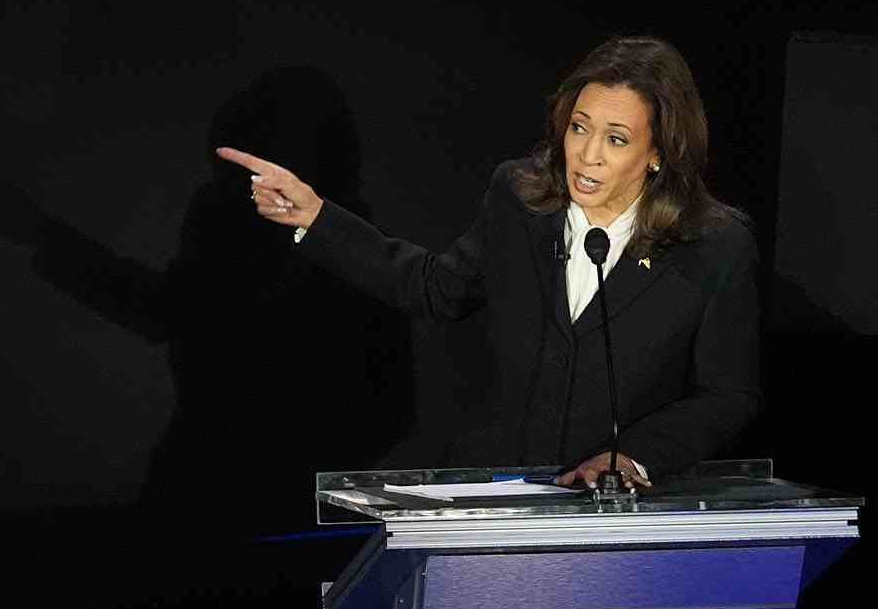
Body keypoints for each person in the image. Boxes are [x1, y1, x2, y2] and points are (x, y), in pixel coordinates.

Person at [218, 35, 760, 489]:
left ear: (658, 152)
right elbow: (433, 288)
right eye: (578, 127)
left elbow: (726, 394)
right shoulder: (520, 198)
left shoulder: (714, 245)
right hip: (494, 498)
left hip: (614, 514)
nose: (587, 155)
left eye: (616, 140)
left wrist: (635, 457)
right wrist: (316, 216)